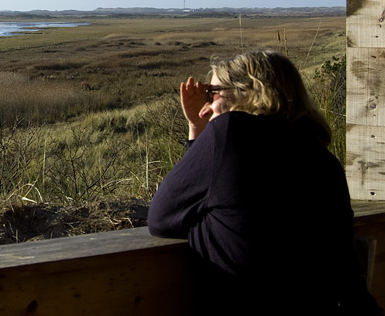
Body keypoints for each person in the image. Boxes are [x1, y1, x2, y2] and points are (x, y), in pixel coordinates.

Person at [147, 50, 381, 315]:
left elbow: (162, 218)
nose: (204, 109)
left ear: (247, 91)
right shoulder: (322, 158)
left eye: (212, 94)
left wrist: (199, 134)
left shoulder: (231, 132)